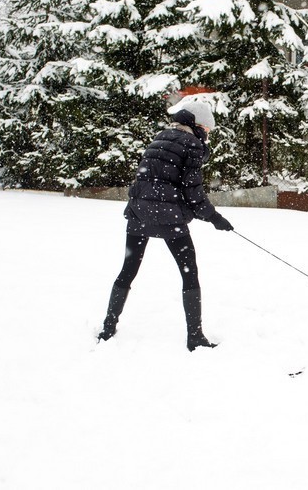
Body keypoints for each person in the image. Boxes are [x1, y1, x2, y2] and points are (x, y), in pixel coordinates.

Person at [98, 100, 234, 351]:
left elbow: (148, 177)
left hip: (139, 214)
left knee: (128, 268)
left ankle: (108, 327)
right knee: (189, 271)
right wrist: (215, 218)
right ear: (199, 126)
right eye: (208, 130)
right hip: (169, 217)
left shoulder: (160, 138)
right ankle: (195, 337)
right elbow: (193, 194)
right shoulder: (192, 145)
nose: (208, 136)